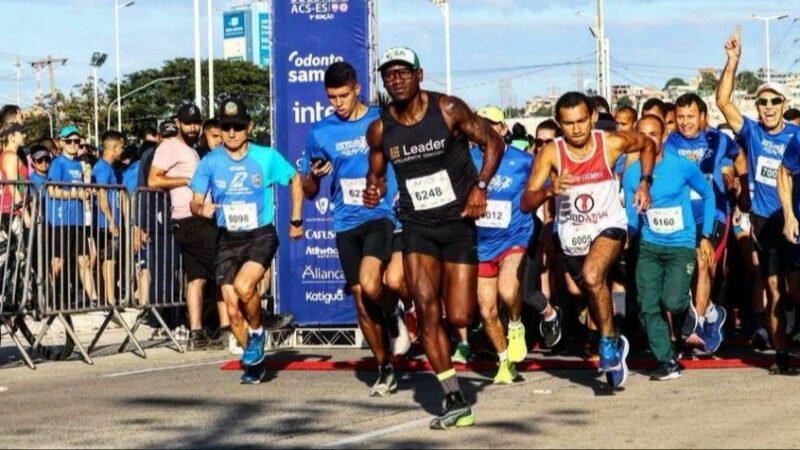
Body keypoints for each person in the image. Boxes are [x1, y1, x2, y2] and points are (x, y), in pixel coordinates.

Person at [363, 47, 504, 429]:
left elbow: (495, 142)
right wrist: (372, 189)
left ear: (419, 75)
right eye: (389, 74)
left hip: (458, 223)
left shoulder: (448, 109)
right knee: (427, 313)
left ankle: (451, 335)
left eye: (403, 73)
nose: (396, 79)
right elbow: (375, 174)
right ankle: (455, 398)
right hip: (416, 227)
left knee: (459, 315)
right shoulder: (380, 128)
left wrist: (480, 186)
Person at [521, 91, 656, 388]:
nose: (577, 129)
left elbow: (647, 144)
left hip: (609, 224)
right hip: (572, 235)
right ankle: (614, 338)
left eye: (582, 120)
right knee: (584, 288)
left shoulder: (610, 143)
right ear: (560, 123)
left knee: (593, 276)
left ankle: (607, 341)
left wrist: (645, 183)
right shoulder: (551, 153)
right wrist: (548, 190)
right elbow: (526, 202)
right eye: (569, 124)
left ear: (593, 117)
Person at [301, 61, 409, 396]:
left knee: (371, 280)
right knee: (362, 299)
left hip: (379, 214)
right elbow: (309, 191)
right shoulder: (320, 132)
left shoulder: (380, 119)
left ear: (357, 88)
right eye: (332, 98)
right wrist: (313, 178)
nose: (338, 104)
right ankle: (384, 366)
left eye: (343, 96)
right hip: (344, 221)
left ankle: (393, 313)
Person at [190, 97, 303, 384]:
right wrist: (200, 208)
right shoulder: (210, 162)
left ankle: (256, 334)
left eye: (237, 127)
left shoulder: (265, 157)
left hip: (260, 234)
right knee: (231, 310)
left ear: (248, 127)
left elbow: (294, 178)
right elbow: (195, 201)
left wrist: (296, 219)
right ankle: (254, 362)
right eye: (226, 127)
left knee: (243, 287)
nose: (231, 133)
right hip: (228, 237)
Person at [716, 25, 800, 374]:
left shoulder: (796, 136)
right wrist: (733, 61)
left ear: (784, 105)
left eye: (774, 101)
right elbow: (722, 102)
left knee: (795, 287)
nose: (767, 107)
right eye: (762, 101)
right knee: (774, 289)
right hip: (765, 221)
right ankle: (781, 355)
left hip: (793, 218)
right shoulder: (750, 132)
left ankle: (793, 328)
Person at [472, 106, 561, 383]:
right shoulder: (466, 159)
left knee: (509, 291)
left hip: (515, 237)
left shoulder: (522, 160)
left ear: (503, 128)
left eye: (493, 125)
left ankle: (515, 323)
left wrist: (550, 222)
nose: (488, 131)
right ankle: (503, 362)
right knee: (486, 309)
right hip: (480, 243)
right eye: (481, 126)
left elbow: (546, 188)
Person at [624, 115, 715, 380]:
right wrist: (629, 238)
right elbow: (632, 215)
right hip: (649, 246)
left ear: (664, 136)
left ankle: (685, 308)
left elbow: (708, 195)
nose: (647, 140)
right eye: (641, 134)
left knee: (672, 301)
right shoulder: (631, 175)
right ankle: (666, 360)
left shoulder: (682, 166)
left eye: (653, 134)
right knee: (647, 305)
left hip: (680, 245)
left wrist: (705, 234)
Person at [663, 93, 742, 352]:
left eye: (690, 117)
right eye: (680, 117)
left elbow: (737, 156)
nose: (685, 122)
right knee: (689, 272)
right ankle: (710, 313)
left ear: (703, 117)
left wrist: (736, 181)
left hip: (714, 212)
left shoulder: (718, 140)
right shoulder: (671, 143)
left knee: (702, 262)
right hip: (683, 215)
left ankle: (696, 325)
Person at [149, 103, 220, 350]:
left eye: (196, 123)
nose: (192, 128)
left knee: (197, 278)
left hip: (198, 219)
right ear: (178, 123)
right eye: (187, 123)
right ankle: (241, 324)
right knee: (226, 264)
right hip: (188, 220)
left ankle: (197, 331)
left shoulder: (192, 151)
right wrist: (186, 180)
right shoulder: (169, 147)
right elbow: (153, 179)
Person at [46, 125, 95, 306]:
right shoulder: (58, 163)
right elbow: (52, 191)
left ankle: (94, 300)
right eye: (69, 141)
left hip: (78, 219)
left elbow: (82, 189)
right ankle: (46, 296)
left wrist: (87, 193)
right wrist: (75, 195)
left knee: (85, 260)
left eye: (77, 141)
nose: (73, 144)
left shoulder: (78, 165)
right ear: (61, 142)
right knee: (58, 262)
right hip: (61, 220)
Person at [92, 131, 125, 305]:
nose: (122, 150)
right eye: (121, 146)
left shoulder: (110, 168)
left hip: (111, 223)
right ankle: (109, 299)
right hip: (105, 224)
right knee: (108, 262)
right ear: (113, 148)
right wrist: (111, 220)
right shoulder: (102, 168)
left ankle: (110, 297)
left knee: (111, 261)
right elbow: (102, 196)